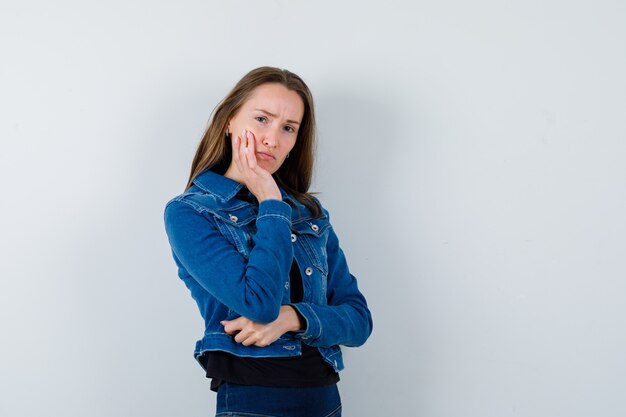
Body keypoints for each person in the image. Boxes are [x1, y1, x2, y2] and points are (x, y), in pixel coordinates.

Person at [163, 66, 373, 417]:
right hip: (254, 399)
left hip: (323, 398)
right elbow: (257, 303)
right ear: (229, 120)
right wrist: (271, 203)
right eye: (262, 119)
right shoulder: (190, 214)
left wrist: (293, 317)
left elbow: (358, 320)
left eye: (288, 128)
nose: (272, 139)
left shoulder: (308, 212)